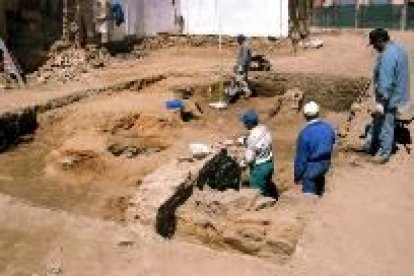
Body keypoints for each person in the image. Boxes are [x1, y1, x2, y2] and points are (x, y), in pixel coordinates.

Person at [362, 28, 410, 164]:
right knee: (378, 121)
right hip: (399, 93)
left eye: (374, 44)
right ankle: (372, 144)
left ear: (380, 41)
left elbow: (386, 81)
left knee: (386, 125)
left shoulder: (387, 56)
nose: (374, 48)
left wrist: (382, 101)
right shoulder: (399, 49)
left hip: (389, 98)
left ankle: (384, 153)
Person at [294, 101, 336, 196]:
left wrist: (297, 175)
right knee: (320, 185)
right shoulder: (328, 127)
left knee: (309, 193)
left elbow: (301, 158)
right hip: (326, 162)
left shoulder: (305, 133)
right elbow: (333, 142)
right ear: (318, 113)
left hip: (312, 166)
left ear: (305, 115)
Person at [239, 110, 277, 198]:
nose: (243, 124)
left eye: (244, 122)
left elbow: (249, 159)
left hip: (259, 169)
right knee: (266, 188)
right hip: (269, 164)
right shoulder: (264, 129)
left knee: (257, 196)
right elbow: (259, 142)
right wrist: (245, 140)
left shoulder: (252, 137)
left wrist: (242, 164)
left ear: (249, 124)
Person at [226, 34, 252, 100]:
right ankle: (241, 92)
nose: (237, 42)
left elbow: (244, 57)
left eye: (238, 40)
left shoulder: (244, 46)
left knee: (239, 80)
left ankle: (247, 92)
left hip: (242, 66)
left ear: (240, 40)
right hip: (242, 66)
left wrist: (240, 66)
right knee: (240, 80)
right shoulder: (244, 46)